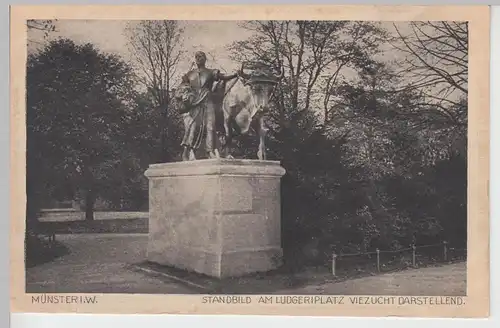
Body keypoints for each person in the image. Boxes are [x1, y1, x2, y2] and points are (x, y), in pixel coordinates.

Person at [176, 51, 238, 161]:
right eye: (196, 57)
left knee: (211, 126)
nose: (198, 58)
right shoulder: (189, 74)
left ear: (205, 59)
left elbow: (223, 77)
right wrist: (184, 95)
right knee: (193, 127)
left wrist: (235, 74)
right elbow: (181, 88)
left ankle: (210, 151)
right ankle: (188, 151)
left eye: (201, 56)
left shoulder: (210, 72)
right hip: (195, 102)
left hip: (208, 100)